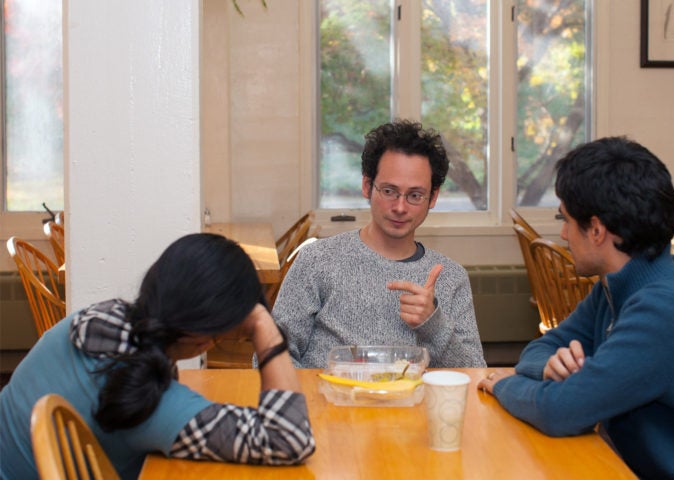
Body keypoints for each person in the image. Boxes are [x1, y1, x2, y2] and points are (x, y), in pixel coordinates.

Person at [477, 137, 674, 479]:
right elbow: (538, 350)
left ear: (597, 230)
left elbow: (560, 411)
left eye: (566, 219)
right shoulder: (617, 285)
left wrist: (502, 385)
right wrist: (550, 367)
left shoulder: (667, 308)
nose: (564, 233)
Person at [0, 233, 315, 479]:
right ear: (206, 339)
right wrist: (263, 324)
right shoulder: (153, 406)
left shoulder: (98, 318)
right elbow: (288, 439)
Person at [271, 119, 486, 369]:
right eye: (388, 191)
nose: (400, 207)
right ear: (366, 186)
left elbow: (475, 374)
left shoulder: (451, 278)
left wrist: (433, 324)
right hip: (329, 404)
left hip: (413, 407)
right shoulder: (317, 260)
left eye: (415, 195)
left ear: (433, 197)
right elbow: (271, 355)